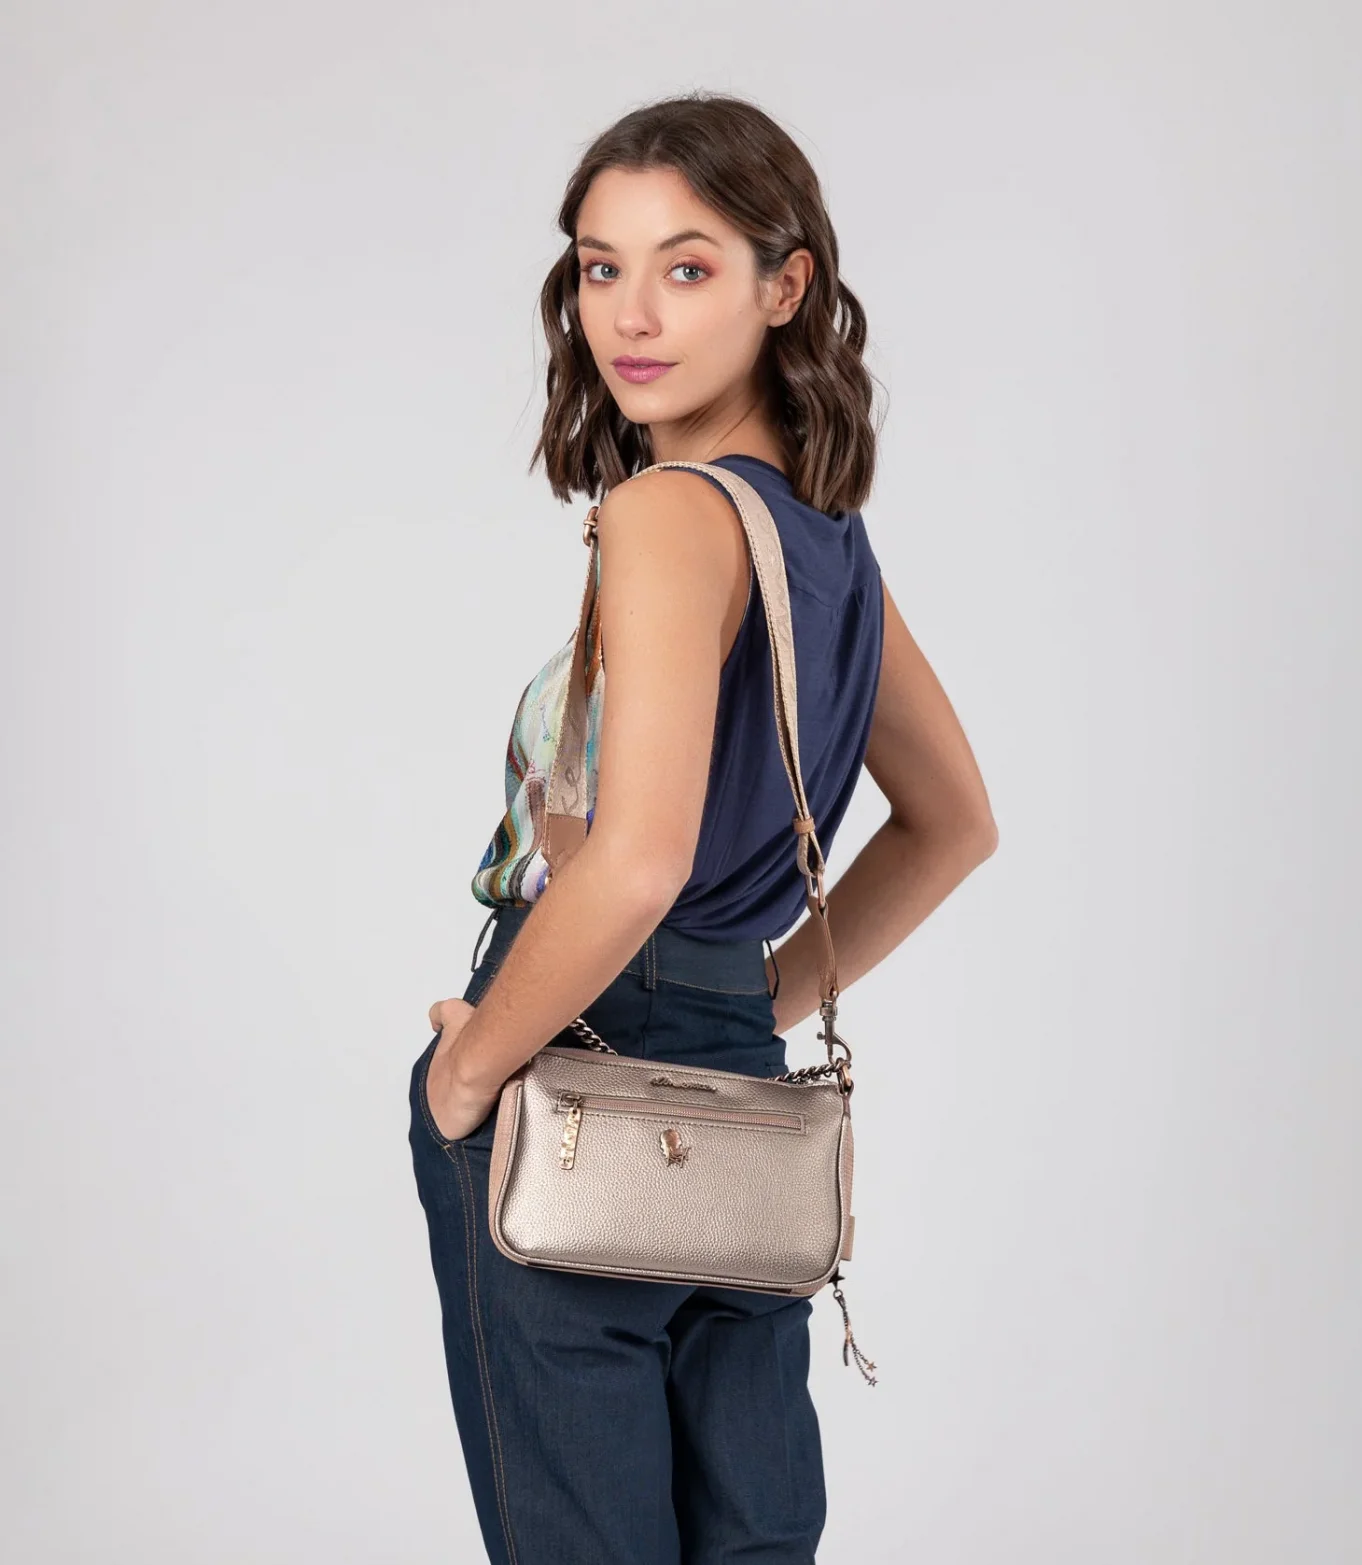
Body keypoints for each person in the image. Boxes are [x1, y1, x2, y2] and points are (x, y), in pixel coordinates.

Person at [406, 90, 998, 1565]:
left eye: (687, 266)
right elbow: (954, 824)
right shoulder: (826, 545)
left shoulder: (669, 512)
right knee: (749, 1534)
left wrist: (468, 1071)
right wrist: (749, 1003)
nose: (631, 313)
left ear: (784, 287)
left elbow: (642, 855)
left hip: (580, 1039)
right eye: (600, 267)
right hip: (732, 1068)